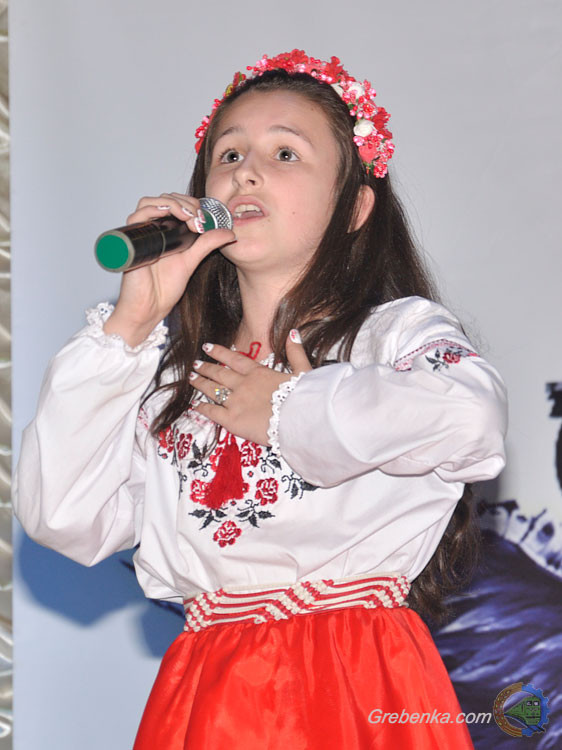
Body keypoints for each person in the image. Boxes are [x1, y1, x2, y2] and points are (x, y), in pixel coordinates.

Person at [14, 50, 507, 748]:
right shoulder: (175, 381)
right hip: (210, 691)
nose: (246, 170)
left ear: (355, 206)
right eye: (229, 154)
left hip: (356, 678)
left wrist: (289, 408)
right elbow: (62, 513)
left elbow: (470, 416)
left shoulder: (392, 336)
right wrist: (132, 324)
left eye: (284, 154)